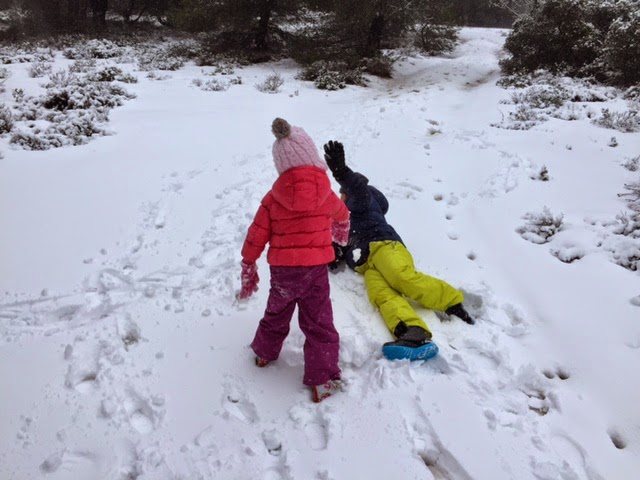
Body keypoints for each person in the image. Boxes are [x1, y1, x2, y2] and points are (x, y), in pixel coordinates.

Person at [322, 140, 474, 361]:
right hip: (367, 266)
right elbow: (336, 243)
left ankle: (451, 301)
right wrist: (334, 252)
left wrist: (342, 171)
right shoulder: (342, 221)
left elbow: (358, 191)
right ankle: (412, 333)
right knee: (382, 297)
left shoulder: (363, 205)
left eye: (342, 194)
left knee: (402, 278)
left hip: (384, 246)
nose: (340, 197)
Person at [238, 119, 350, 403]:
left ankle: (264, 354)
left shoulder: (273, 198)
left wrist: (249, 262)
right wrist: (339, 229)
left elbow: (257, 234)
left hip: (284, 273)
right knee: (319, 322)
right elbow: (343, 214)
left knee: (277, 312)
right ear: (311, 155)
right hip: (314, 272)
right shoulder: (325, 193)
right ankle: (322, 379)